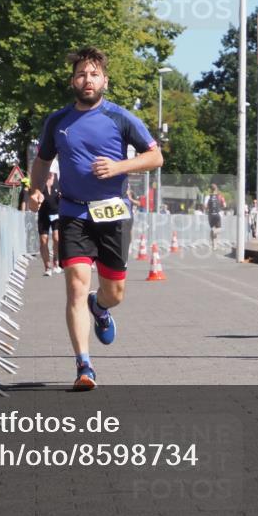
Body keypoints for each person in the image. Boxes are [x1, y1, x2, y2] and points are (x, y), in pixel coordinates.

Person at [28, 47, 163, 390]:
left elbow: (155, 157)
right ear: (72, 81)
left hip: (113, 212)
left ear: (105, 81)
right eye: (81, 75)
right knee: (76, 284)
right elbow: (42, 161)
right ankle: (84, 366)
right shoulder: (57, 121)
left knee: (114, 292)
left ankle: (100, 307)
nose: (87, 80)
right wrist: (34, 190)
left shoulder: (120, 118)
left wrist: (119, 167)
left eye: (93, 74)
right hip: (73, 211)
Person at [37, 172, 62, 276]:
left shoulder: (59, 178)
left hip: (57, 213)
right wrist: (38, 199)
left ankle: (56, 261)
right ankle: (47, 267)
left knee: (56, 238)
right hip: (43, 214)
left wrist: (62, 196)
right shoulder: (40, 179)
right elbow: (32, 195)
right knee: (43, 240)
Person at [205, 183, 226, 250]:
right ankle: (214, 245)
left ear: (210, 189)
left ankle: (214, 246)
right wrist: (220, 206)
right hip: (218, 214)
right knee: (218, 229)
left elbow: (205, 206)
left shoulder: (208, 196)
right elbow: (225, 205)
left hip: (210, 215)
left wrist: (209, 208)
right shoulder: (220, 196)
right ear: (216, 189)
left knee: (213, 229)